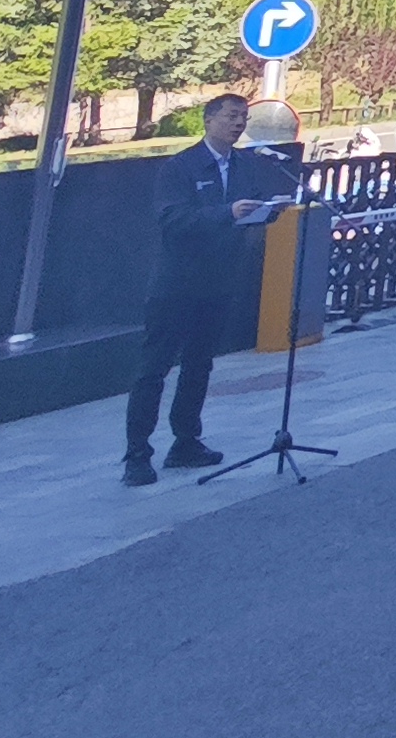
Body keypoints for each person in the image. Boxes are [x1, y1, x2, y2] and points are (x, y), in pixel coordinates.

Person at [124, 94, 289, 481]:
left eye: (243, 117)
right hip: (176, 284)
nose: (238, 124)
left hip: (218, 281)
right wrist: (226, 212)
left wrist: (266, 212)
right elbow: (173, 220)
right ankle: (136, 454)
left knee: (199, 365)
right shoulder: (180, 167)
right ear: (209, 120)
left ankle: (186, 442)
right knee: (154, 369)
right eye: (231, 116)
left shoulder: (245, 164)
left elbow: (251, 206)